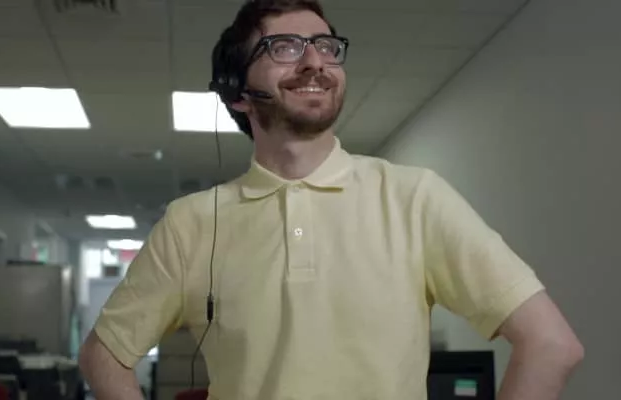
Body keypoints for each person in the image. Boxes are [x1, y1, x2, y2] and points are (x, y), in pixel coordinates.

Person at [79, 0, 584, 399]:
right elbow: (104, 356)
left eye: (326, 46)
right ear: (236, 91)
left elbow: (551, 344)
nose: (316, 61)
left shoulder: (414, 197)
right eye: (284, 47)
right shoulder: (190, 223)